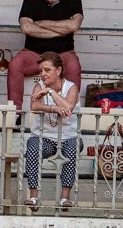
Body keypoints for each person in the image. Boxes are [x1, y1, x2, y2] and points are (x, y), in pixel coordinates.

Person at [7, 0, 84, 107]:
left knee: (74, 66)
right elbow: (26, 28)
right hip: (34, 53)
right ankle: (14, 112)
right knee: (15, 65)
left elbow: (74, 26)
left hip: (63, 54)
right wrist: (63, 28)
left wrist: (40, 24)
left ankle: (71, 110)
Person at [22, 51, 80, 211]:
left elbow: (68, 107)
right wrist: (54, 108)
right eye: (41, 71)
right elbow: (34, 106)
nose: (42, 74)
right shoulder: (38, 86)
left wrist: (50, 92)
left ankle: (64, 198)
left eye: (47, 70)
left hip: (68, 137)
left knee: (72, 149)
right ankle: (33, 196)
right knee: (33, 147)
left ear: (59, 70)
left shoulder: (71, 87)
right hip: (44, 138)